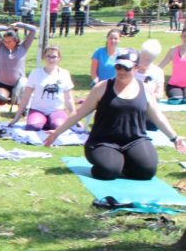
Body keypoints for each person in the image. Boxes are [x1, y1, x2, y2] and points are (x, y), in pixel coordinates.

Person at [44, 49, 186, 179]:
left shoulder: (145, 88)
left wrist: (174, 138)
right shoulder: (102, 87)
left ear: (136, 68)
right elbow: (78, 113)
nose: (121, 71)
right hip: (103, 141)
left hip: (135, 140)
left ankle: (125, 161)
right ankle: (113, 163)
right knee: (109, 171)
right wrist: (56, 133)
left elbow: (157, 116)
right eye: (118, 67)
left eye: (126, 68)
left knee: (147, 172)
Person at [8, 45, 74, 131]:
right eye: (48, 56)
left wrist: (74, 118)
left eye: (54, 57)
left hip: (57, 110)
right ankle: (44, 122)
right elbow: (26, 97)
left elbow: (69, 99)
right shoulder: (35, 73)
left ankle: (50, 121)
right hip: (37, 110)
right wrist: (16, 117)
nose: (51, 59)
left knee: (59, 127)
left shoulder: (65, 74)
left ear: (59, 58)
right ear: (44, 57)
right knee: (33, 127)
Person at [0, 21, 37, 105]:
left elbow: (33, 29)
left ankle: (16, 100)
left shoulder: (23, 47)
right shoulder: (1, 46)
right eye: (5, 41)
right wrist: (8, 28)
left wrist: (19, 24)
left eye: (9, 42)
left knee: (23, 108)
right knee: (1, 99)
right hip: (2, 84)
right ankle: (13, 99)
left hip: (19, 84)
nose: (6, 44)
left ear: (16, 40)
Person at [136, 39, 165, 130]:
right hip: (131, 106)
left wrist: (149, 94)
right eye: (142, 56)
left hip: (148, 107)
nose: (144, 60)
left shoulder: (158, 72)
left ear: (153, 59)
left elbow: (159, 95)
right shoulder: (131, 69)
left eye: (148, 59)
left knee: (153, 125)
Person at [157, 28, 186, 104]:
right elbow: (161, 66)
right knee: (175, 101)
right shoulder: (173, 50)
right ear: (181, 37)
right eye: (184, 36)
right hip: (174, 85)